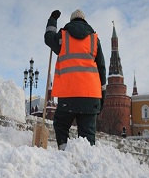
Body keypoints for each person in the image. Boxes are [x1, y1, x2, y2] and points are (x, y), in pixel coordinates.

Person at [44, 9, 106, 150]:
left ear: (71, 21)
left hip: (68, 95)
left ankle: (64, 151)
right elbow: (101, 67)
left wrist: (52, 19)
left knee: (61, 124)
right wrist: (103, 94)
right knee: (87, 135)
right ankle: (87, 161)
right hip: (91, 96)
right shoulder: (95, 40)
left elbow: (48, 37)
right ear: (85, 21)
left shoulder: (63, 37)